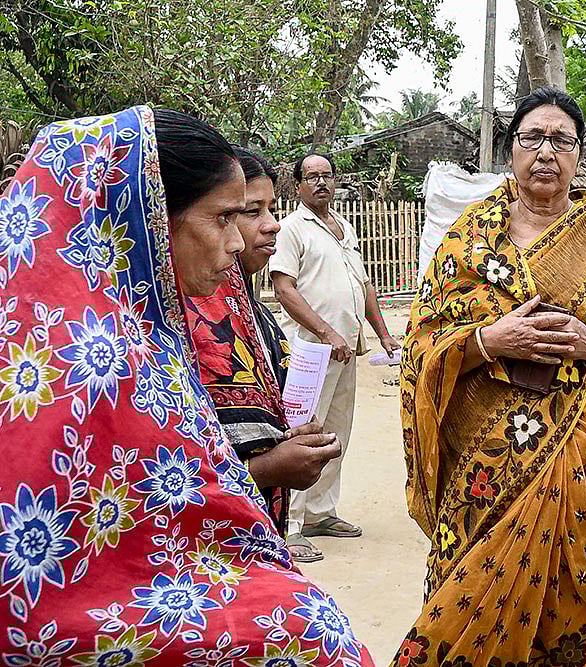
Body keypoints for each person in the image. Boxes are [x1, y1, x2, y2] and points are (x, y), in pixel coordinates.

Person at [0, 106, 373, 665]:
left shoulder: (142, 331)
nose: (237, 240)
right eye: (224, 218)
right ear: (146, 220)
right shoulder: (82, 362)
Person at [393, 88, 586, 666]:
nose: (546, 152)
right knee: (462, 601)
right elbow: (420, 348)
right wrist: (488, 341)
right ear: (512, 150)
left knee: (569, 605)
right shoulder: (467, 242)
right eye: (532, 138)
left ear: (579, 155)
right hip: (481, 472)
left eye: (561, 141)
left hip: (582, 465)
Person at [185, 148, 340, 562]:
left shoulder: (249, 309)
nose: (272, 226)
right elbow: (162, 487)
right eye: (251, 211)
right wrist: (270, 468)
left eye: (271, 209)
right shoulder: (193, 318)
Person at [269, 153, 400, 550]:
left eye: (327, 176)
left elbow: (364, 287)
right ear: (298, 185)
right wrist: (326, 333)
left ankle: (320, 515)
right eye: (312, 177)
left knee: (336, 432)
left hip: (347, 348)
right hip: (310, 350)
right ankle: (290, 527)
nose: (321, 183)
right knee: (305, 433)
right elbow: (283, 288)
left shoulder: (344, 228)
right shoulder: (292, 229)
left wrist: (383, 334)